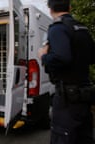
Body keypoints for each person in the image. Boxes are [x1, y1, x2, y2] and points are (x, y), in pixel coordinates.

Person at [38, 0, 95, 144]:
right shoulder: (82, 28)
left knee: (63, 137)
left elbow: (62, 57)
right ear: (69, 7)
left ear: (50, 9)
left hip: (67, 99)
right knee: (84, 137)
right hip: (85, 95)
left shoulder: (57, 28)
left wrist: (43, 55)